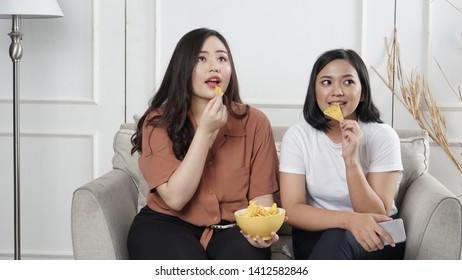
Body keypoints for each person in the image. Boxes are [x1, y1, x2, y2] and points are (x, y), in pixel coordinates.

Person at [127, 28, 280, 260]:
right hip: (166, 224)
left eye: (221, 58)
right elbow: (175, 199)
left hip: (232, 230)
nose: (214, 66)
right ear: (183, 68)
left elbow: (261, 198)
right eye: (201, 58)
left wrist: (262, 229)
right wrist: (205, 132)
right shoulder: (157, 122)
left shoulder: (255, 122)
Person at [279, 49, 406, 260]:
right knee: (334, 239)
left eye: (348, 82)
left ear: (362, 92)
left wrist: (351, 161)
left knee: (338, 241)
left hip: (376, 235)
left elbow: (378, 212)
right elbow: (292, 210)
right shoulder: (298, 136)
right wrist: (348, 220)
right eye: (327, 82)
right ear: (315, 91)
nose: (337, 91)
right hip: (315, 235)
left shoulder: (383, 136)